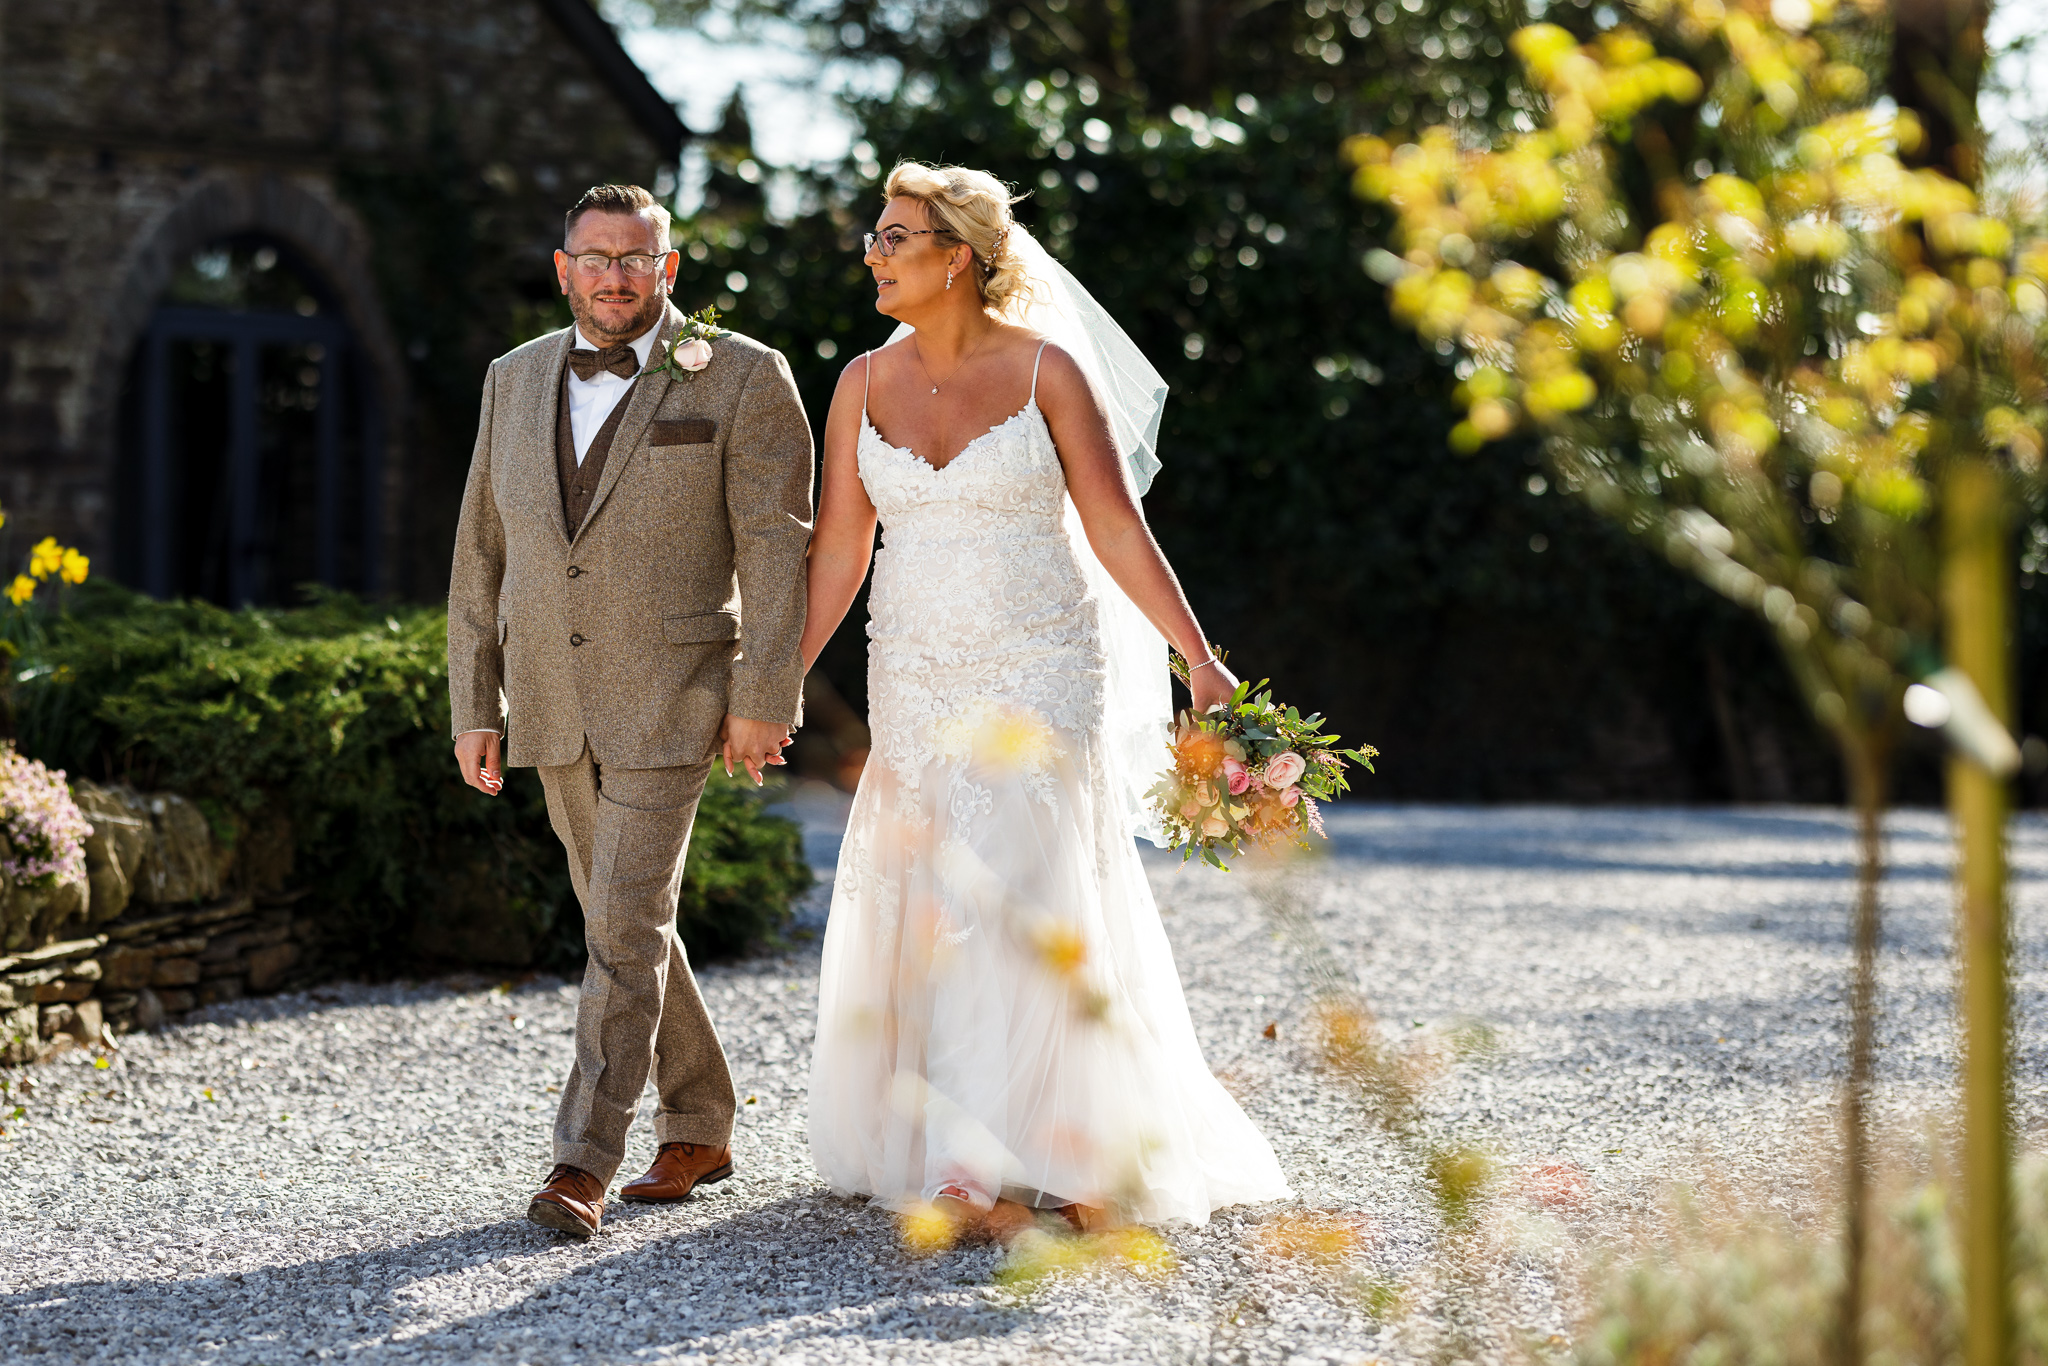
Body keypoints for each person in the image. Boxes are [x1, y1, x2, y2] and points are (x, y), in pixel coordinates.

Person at [801, 162, 1291, 1241]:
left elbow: (1117, 528)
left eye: (894, 237)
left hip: (1039, 666)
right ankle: (963, 1151)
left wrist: (1197, 661)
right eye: (875, 237)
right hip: (917, 670)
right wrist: (774, 675)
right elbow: (840, 544)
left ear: (958, 257)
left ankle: (1065, 1152)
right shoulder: (857, 384)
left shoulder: (1047, 372)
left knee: (1025, 884)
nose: (873, 254)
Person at [446, 183, 812, 1239]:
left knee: (621, 924)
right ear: (562, 268)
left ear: (670, 268)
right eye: (596, 258)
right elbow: (482, 550)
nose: (616, 276)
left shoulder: (742, 374)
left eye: (637, 258)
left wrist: (762, 696)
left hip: (677, 694)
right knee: (628, 921)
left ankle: (580, 1158)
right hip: (549, 696)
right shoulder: (511, 379)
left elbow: (775, 551)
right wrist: (476, 698)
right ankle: (700, 1118)